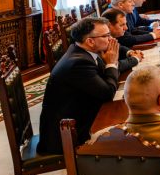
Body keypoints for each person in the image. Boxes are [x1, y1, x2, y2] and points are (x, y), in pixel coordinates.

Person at [37, 17, 121, 155]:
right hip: (67, 136)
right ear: (90, 41)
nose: (111, 39)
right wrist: (111, 63)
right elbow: (107, 94)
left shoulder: (82, 51)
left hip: (77, 119)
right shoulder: (78, 63)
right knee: (124, 134)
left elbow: (104, 80)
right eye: (106, 35)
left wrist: (111, 64)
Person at [102, 8, 145, 73]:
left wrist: (130, 52)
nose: (126, 28)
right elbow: (114, 66)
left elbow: (119, 47)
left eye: (125, 24)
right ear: (109, 26)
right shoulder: (101, 42)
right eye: (122, 25)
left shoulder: (110, 38)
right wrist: (135, 58)